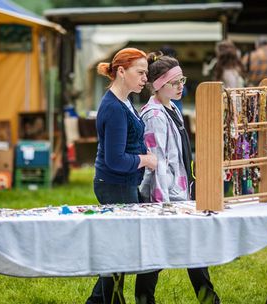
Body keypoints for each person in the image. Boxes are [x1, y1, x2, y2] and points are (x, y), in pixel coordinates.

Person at [139, 52, 221, 304]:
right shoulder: (153, 116)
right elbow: (156, 163)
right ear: (158, 85)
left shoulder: (172, 107)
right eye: (175, 83)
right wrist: (164, 204)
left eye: (182, 80)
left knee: (193, 252)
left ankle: (209, 300)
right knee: (155, 257)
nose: (180, 86)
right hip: (165, 199)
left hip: (180, 194)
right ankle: (143, 300)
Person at [86, 47, 158, 304]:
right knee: (120, 254)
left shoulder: (124, 100)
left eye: (146, 73)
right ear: (120, 71)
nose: (144, 79)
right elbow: (115, 160)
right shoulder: (115, 107)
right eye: (140, 72)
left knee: (121, 252)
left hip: (122, 184)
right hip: (115, 184)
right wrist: (146, 160)